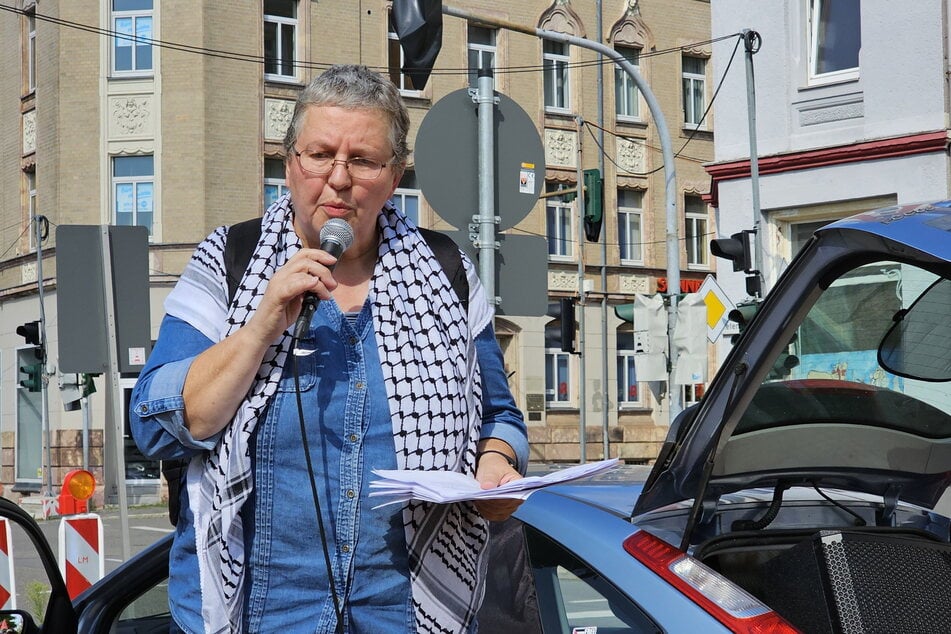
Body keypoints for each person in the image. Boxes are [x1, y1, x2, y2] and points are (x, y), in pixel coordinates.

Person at [129, 64, 527, 634]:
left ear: (394, 177)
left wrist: (497, 466)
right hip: (260, 610)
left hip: (406, 610)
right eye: (319, 155)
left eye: (362, 160)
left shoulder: (448, 273)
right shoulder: (229, 262)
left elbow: (500, 416)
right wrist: (260, 327)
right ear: (290, 165)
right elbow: (155, 425)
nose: (338, 179)